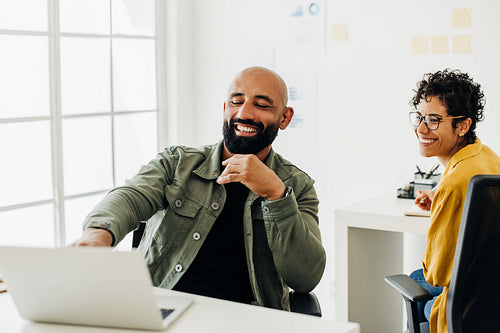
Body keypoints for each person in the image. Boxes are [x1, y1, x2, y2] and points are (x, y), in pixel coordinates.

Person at [71, 66, 326, 311]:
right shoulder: (176, 163)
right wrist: (98, 234)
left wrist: (276, 195)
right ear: (225, 108)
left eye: (261, 105)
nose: (244, 113)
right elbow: (131, 196)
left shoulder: (297, 187)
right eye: (236, 102)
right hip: (163, 310)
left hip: (249, 320)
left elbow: (306, 278)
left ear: (284, 117)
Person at [408, 69, 500, 332]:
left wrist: (444, 203)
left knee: (417, 279)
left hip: (463, 308)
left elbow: (436, 273)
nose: (421, 128)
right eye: (420, 117)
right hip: (492, 296)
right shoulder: (488, 157)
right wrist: (441, 199)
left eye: (434, 120)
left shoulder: (454, 182)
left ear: (462, 125)